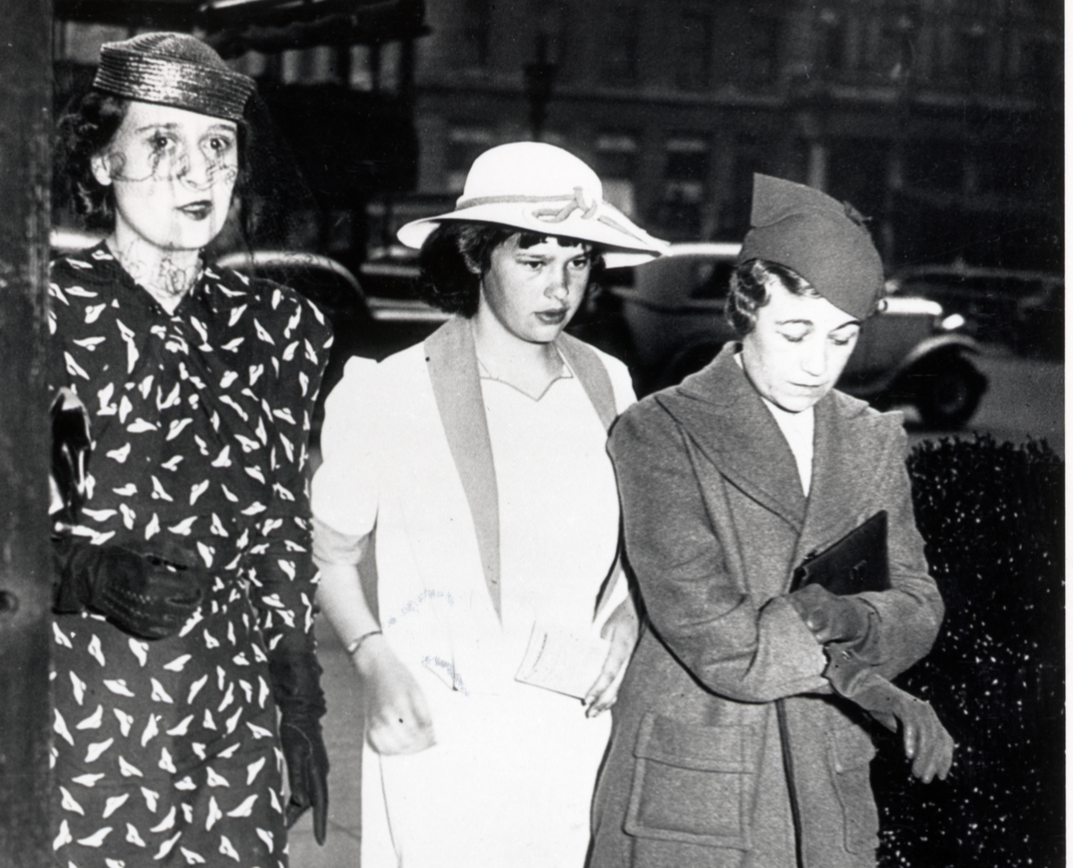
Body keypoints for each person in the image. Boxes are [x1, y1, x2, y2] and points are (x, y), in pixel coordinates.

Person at [309, 142, 669, 867]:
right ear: (476, 256)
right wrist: (374, 662)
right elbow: (327, 555)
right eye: (533, 262)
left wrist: (630, 620)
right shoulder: (392, 390)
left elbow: (645, 545)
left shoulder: (610, 385)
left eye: (578, 262)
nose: (559, 288)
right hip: (440, 725)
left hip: (571, 727)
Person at [589, 174, 954, 868]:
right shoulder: (660, 433)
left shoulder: (872, 436)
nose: (819, 365)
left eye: (843, 338)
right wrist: (863, 680)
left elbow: (919, 600)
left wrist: (860, 622)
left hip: (825, 785)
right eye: (795, 332)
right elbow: (725, 646)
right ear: (743, 310)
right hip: (695, 790)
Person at [47, 32, 331, 866]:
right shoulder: (44, 314)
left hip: (232, 720)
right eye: (159, 141)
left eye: (217, 145)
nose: (195, 172)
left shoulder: (282, 328)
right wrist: (86, 573)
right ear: (103, 162)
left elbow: (284, 526)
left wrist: (298, 696)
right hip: (86, 705)